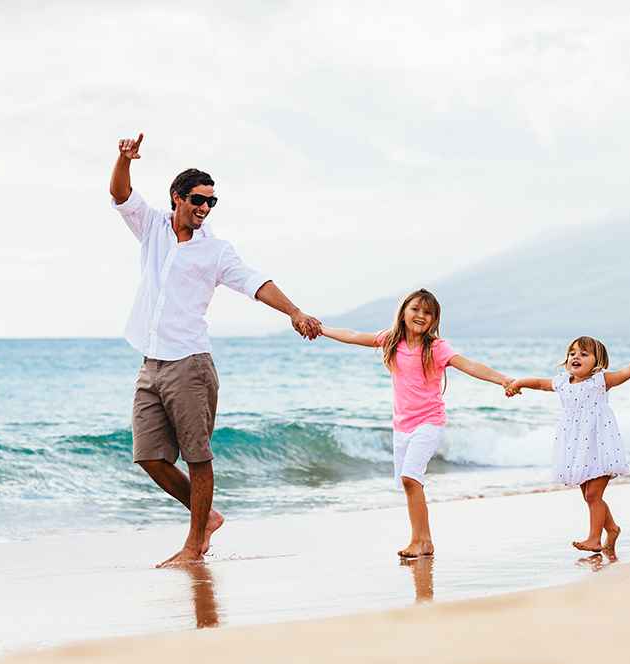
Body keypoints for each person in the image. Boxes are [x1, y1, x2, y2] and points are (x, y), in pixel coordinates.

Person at [109, 132, 322, 567]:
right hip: (151, 361)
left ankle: (194, 544)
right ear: (177, 198)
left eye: (211, 201)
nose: (204, 208)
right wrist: (124, 159)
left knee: (197, 456)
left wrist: (294, 312)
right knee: (148, 455)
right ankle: (207, 517)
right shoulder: (151, 227)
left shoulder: (217, 251)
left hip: (191, 363)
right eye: (197, 199)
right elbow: (120, 194)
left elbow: (254, 283)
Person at [319, 288, 513, 558]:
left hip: (429, 422)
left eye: (428, 312)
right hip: (402, 426)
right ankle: (424, 541)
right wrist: (321, 329)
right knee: (409, 484)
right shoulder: (390, 340)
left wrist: (503, 379)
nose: (421, 315)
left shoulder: (436, 347)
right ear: (403, 312)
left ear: (434, 320)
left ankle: (421, 541)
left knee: (411, 478)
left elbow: (469, 365)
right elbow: (353, 336)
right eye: (415, 309)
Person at [505, 336, 630, 556]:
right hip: (575, 446)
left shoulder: (600, 381)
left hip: (599, 444)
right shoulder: (563, 382)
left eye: (584, 354)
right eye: (572, 353)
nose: (576, 357)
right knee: (589, 495)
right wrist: (518, 383)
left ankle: (595, 539)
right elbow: (539, 383)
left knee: (594, 495)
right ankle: (611, 529)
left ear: (598, 362)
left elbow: (626, 373)